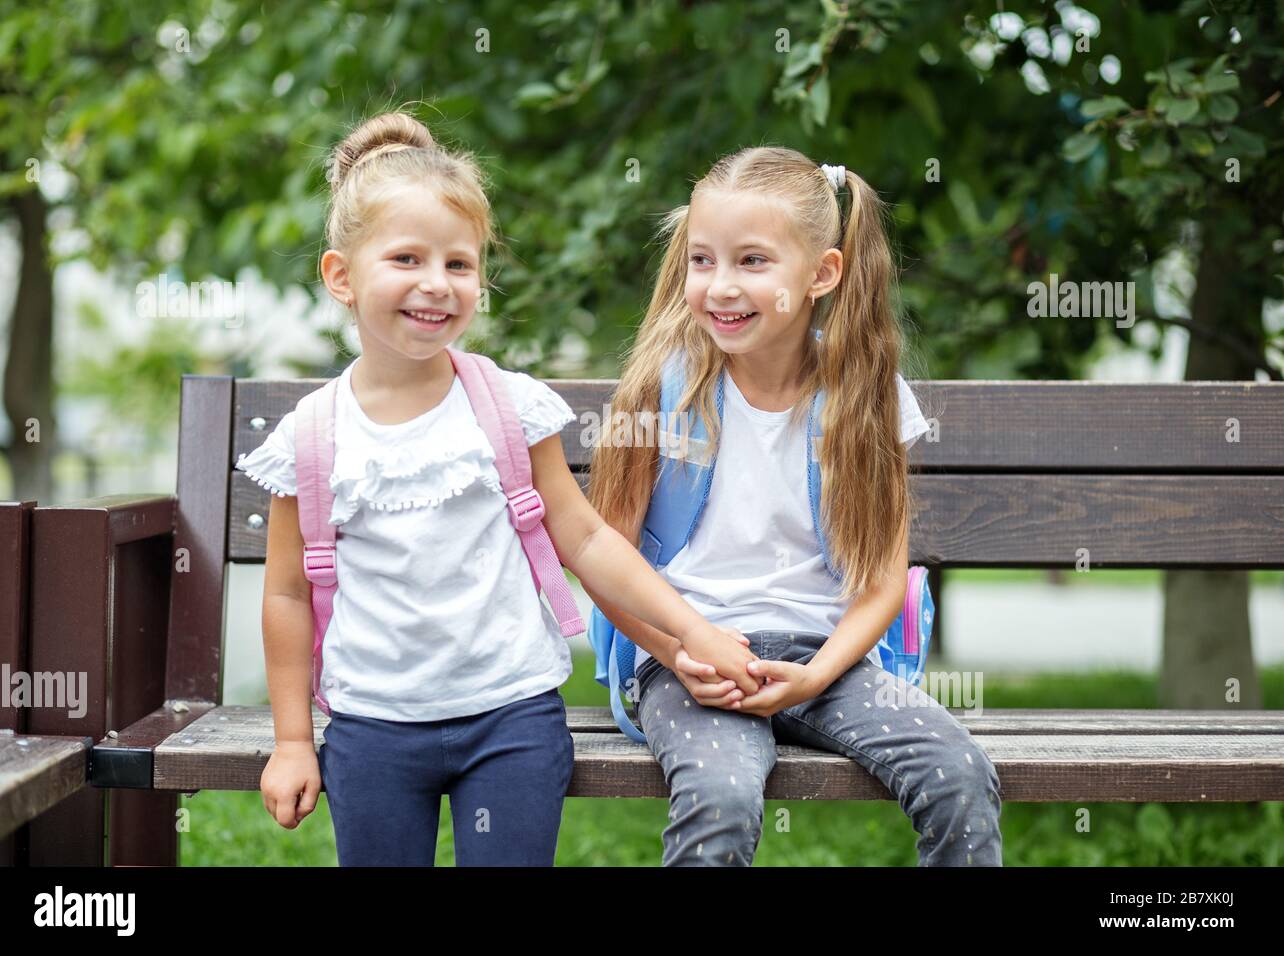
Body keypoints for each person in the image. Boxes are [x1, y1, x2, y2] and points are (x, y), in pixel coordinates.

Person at [239, 110, 758, 866]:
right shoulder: (314, 438)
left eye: (459, 264)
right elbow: (286, 593)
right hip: (372, 725)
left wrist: (694, 634)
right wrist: (291, 741)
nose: (435, 285)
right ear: (341, 277)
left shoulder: (508, 407)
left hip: (510, 717)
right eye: (407, 259)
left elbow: (584, 537)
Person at [586, 146, 1003, 866]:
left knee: (960, 776)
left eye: (752, 262)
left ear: (822, 274)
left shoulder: (865, 401)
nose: (720, 286)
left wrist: (816, 675)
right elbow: (606, 560)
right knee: (720, 797)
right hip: (691, 662)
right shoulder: (658, 393)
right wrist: (678, 652)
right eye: (702, 260)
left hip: (828, 663)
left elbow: (880, 583)